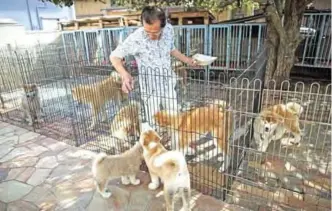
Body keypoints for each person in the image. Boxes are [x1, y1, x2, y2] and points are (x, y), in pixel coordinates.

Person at [110, 6, 197, 125]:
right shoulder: (137, 37)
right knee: (153, 121)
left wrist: (188, 60)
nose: (151, 35)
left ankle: (175, 142)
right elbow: (114, 56)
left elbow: (171, 49)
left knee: (174, 118)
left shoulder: (169, 30)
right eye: (147, 31)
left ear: (163, 25)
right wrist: (124, 74)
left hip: (168, 83)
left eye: (155, 32)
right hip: (150, 89)